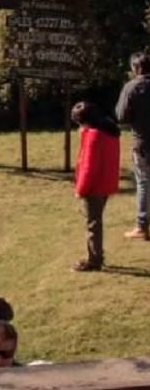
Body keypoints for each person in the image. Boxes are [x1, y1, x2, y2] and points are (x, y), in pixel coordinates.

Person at [72, 100, 121, 272]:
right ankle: (95, 256)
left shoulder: (93, 135)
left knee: (93, 223)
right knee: (95, 221)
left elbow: (88, 166)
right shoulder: (110, 131)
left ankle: (94, 259)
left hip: (94, 186)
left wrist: (80, 189)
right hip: (105, 183)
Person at [117, 52, 149, 241]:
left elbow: (121, 115)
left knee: (144, 183)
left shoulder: (132, 87)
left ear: (135, 68)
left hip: (142, 141)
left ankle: (142, 225)